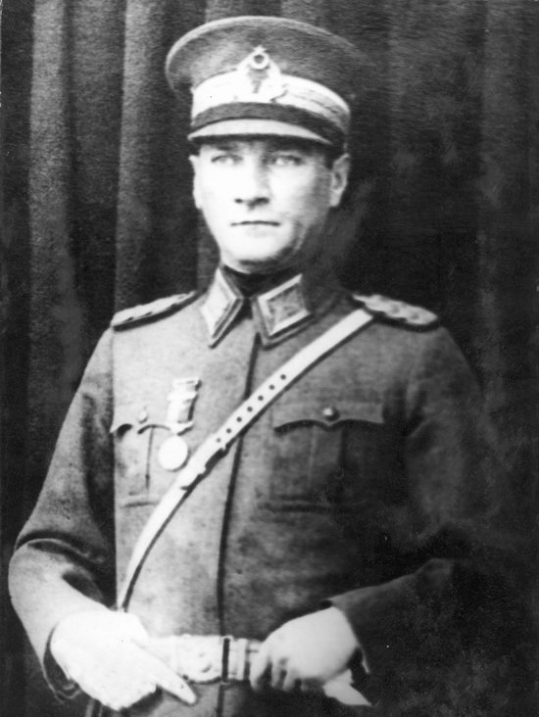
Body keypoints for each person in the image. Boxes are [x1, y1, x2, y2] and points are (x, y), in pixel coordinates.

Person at [9, 15, 525, 717]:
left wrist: (355, 625)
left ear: (335, 178)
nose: (249, 188)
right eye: (224, 158)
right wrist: (71, 627)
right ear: (196, 181)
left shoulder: (407, 355)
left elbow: (497, 571)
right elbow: (47, 548)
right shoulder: (132, 348)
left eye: (283, 159)